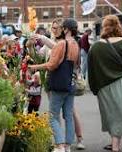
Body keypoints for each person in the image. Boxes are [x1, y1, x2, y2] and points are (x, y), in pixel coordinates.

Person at [88, 15, 122, 152]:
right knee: (120, 114)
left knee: (110, 115)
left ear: (104, 27)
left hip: (102, 86)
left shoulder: (96, 47)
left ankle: (114, 144)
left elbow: (91, 70)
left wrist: (94, 88)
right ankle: (116, 147)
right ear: (118, 26)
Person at [31, 19, 86, 150]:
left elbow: (52, 65)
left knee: (53, 116)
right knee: (68, 116)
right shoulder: (75, 44)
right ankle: (67, 145)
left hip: (58, 85)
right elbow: (77, 66)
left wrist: (34, 67)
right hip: (70, 85)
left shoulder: (62, 44)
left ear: (65, 29)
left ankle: (60, 145)